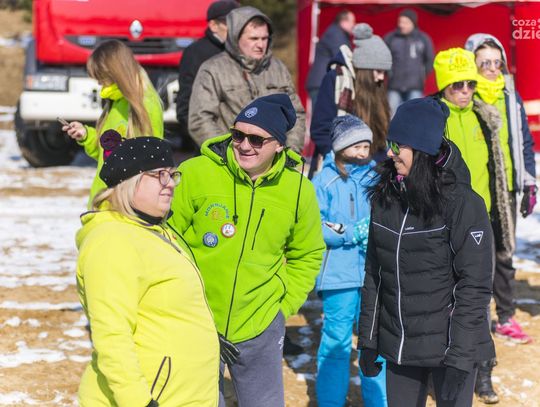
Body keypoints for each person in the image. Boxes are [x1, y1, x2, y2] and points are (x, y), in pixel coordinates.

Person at [169, 94, 325, 407]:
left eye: (256, 139)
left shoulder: (299, 190)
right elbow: (168, 237)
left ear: (278, 145)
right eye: (238, 135)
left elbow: (307, 254)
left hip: (261, 322)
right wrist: (181, 299)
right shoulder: (195, 172)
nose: (244, 145)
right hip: (197, 319)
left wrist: (283, 306)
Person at [358, 97, 495, 407]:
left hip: (449, 348)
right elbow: (375, 273)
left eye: (398, 145)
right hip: (400, 345)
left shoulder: (462, 203)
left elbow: (474, 286)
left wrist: (461, 355)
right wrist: (368, 339)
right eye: (390, 143)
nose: (390, 152)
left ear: (422, 150)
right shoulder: (385, 197)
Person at [75, 137, 220, 406]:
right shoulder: (112, 240)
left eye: (172, 174)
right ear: (128, 182)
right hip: (151, 397)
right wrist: (138, 401)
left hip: (182, 395)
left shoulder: (154, 231)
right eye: (158, 175)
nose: (170, 183)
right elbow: (112, 335)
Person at [464, 34, 537, 403]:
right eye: (485, 63)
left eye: (497, 62)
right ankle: (476, 322)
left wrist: (528, 179)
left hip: (506, 187)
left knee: (505, 253)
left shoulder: (510, 94)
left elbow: (522, 140)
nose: (492, 68)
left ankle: (506, 315)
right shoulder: (467, 96)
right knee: (480, 260)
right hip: (479, 192)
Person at [312, 114, 387, 407]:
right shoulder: (324, 180)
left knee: (374, 342)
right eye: (356, 146)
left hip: (372, 275)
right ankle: (330, 401)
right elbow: (315, 224)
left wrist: (377, 230)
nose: (362, 152)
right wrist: (350, 233)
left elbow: (388, 215)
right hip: (338, 275)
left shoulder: (376, 178)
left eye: (366, 146)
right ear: (341, 147)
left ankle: (379, 401)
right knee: (336, 341)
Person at [188, 6, 306, 152]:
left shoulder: (278, 68)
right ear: (235, 38)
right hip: (231, 157)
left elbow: (296, 113)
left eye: (264, 38)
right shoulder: (212, 69)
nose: (260, 45)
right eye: (253, 38)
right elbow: (199, 120)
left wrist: (289, 152)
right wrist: (228, 153)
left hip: (274, 158)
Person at [62, 39, 164, 206]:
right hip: (103, 200)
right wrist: (86, 135)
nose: (98, 82)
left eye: (100, 76)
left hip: (124, 206)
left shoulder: (145, 105)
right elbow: (107, 153)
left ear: (115, 72)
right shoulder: (116, 102)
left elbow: (151, 162)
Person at [310, 23, 392, 171]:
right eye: (379, 71)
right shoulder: (335, 80)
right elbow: (320, 129)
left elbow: (380, 140)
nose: (381, 77)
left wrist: (381, 170)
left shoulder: (377, 88)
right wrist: (340, 162)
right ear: (365, 69)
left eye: (384, 72)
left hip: (370, 171)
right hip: (337, 168)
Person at [175, 0, 239, 140]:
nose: (236, 28)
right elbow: (185, 105)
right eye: (229, 23)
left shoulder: (242, 50)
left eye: (238, 22)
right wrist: (205, 141)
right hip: (210, 142)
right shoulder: (195, 53)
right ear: (213, 25)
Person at [384, 9, 434, 115]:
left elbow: (430, 59)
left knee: (414, 116)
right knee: (392, 116)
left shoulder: (423, 39)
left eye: (406, 22)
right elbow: (383, 58)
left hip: (415, 86)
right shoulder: (391, 38)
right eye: (400, 22)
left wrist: (422, 75)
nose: (402, 25)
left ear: (413, 23)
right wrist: (389, 73)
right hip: (394, 86)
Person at [305, 10, 356, 105]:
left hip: (322, 83)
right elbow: (344, 56)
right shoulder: (336, 34)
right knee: (323, 113)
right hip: (322, 84)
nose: (354, 25)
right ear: (343, 21)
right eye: (352, 21)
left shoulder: (337, 33)